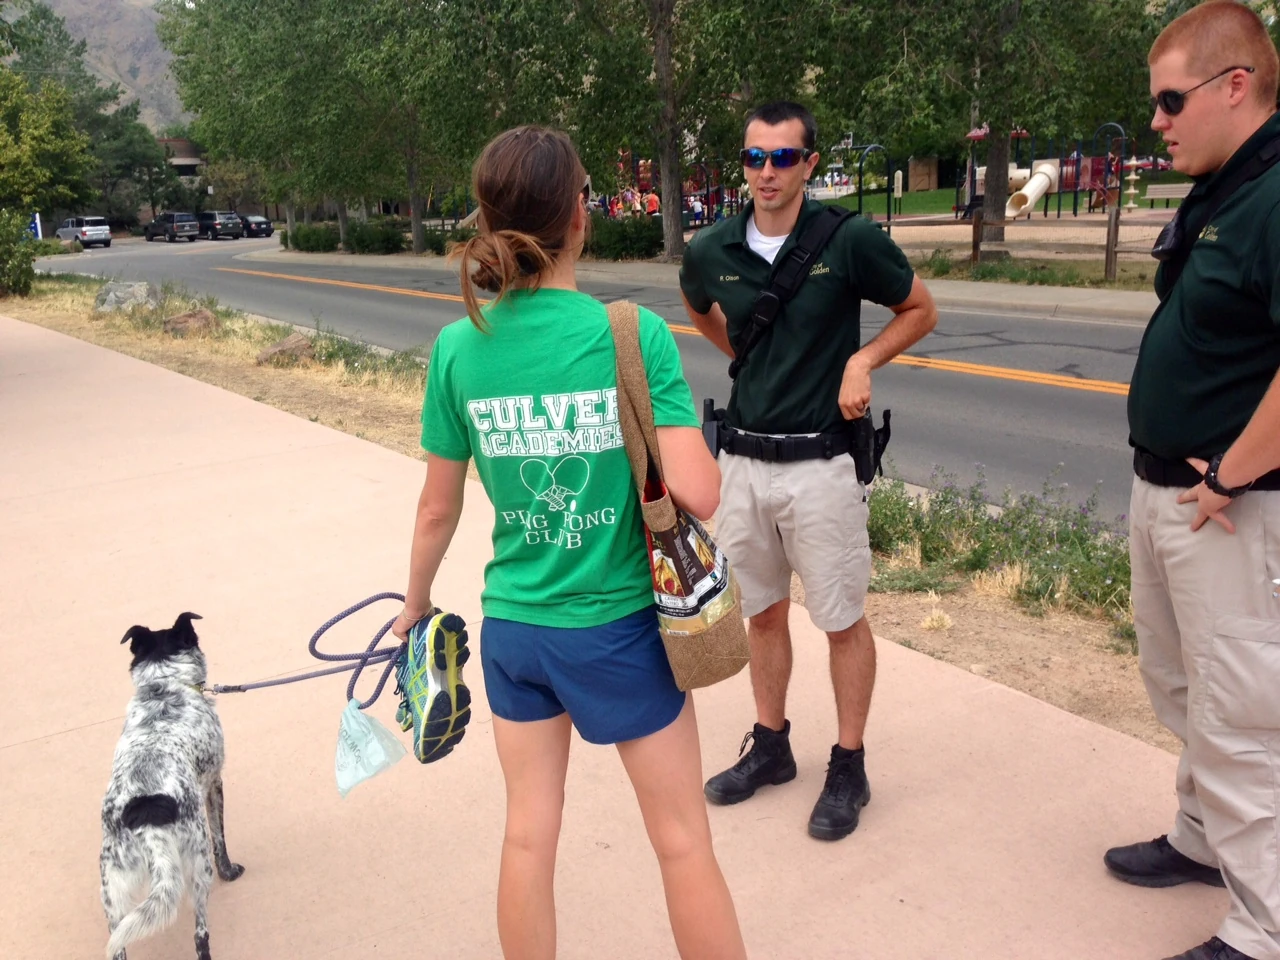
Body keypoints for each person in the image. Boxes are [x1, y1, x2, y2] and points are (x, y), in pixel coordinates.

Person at [392, 126, 747, 960]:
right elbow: (699, 491)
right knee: (682, 841)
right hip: (618, 627)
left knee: (526, 839)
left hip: (514, 630)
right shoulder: (629, 334)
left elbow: (436, 510)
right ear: (579, 217)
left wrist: (415, 608)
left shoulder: (457, 346)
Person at [678, 100, 937, 842]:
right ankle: (771, 746)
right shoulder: (712, 248)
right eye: (755, 157)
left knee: (841, 620)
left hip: (823, 463)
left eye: (783, 158)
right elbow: (702, 311)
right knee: (761, 613)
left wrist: (862, 358)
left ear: (810, 164)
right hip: (744, 463)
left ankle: (848, 764)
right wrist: (746, 355)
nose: (767, 172)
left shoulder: (849, 240)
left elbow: (919, 309)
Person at [1106, 4, 1280, 960]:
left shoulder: (1275, 195)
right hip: (1171, 493)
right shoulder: (1224, 190)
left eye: (1171, 100)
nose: (1159, 121)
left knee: (1241, 717)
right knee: (1183, 688)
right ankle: (1202, 838)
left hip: (1232, 510)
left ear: (1235, 86)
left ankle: (1264, 927)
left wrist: (1231, 473)